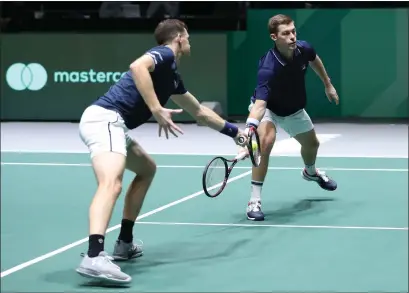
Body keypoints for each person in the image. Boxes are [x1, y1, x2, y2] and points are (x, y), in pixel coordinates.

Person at [76, 19, 248, 284]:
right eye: (188, 36)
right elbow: (137, 67)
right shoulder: (165, 53)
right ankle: (94, 255)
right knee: (111, 183)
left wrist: (236, 134)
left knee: (147, 169)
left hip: (115, 125)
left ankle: (124, 242)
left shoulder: (172, 78)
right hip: (105, 119)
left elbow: (200, 112)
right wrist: (156, 108)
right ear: (178, 37)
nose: (189, 41)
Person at [242, 14, 339, 221]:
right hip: (268, 109)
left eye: (293, 31)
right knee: (266, 142)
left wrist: (327, 84)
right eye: (286, 34)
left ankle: (310, 172)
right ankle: (254, 201)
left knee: (312, 145)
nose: (292, 37)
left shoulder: (304, 49)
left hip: (293, 109)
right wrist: (251, 127)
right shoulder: (268, 67)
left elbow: (315, 60)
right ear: (274, 37)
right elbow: (259, 104)